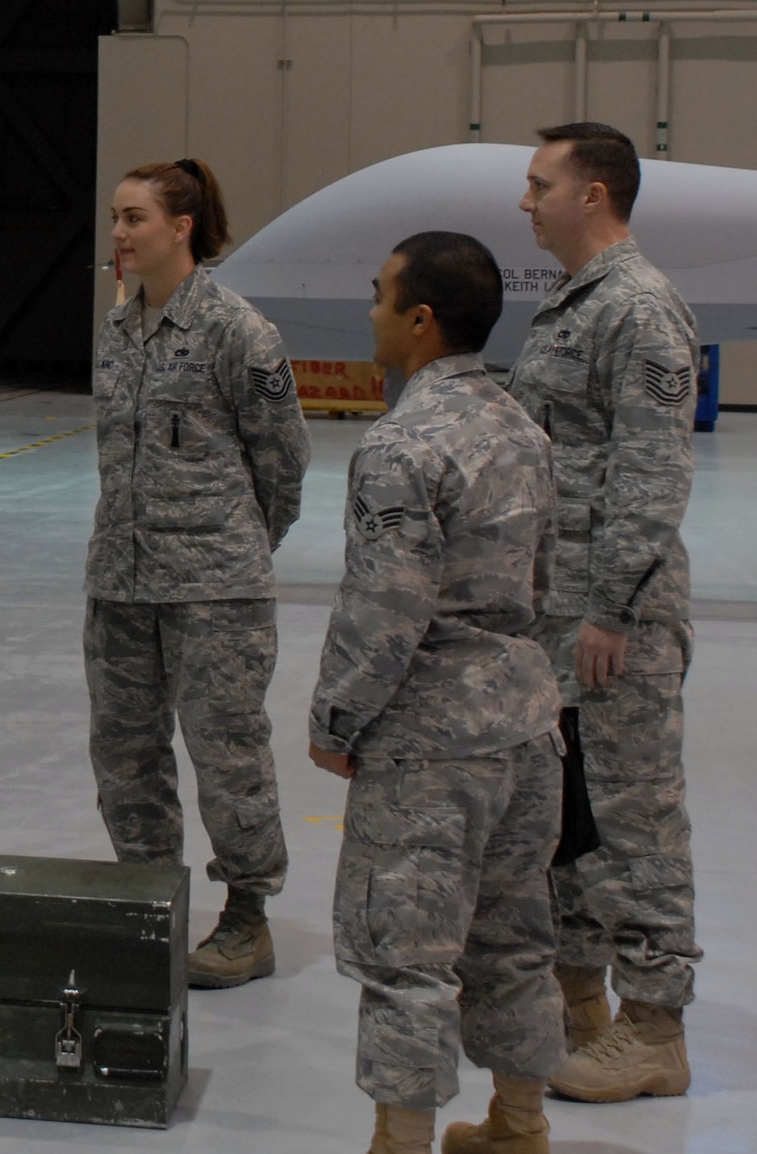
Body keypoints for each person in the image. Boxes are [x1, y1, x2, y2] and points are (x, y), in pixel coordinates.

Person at [310, 232, 566, 1154]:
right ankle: (518, 1124)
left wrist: (336, 717)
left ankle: (402, 1141)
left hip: (430, 740)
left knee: (407, 955)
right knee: (514, 941)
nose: (370, 313)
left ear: (419, 320)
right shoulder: (525, 429)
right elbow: (538, 579)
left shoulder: (400, 444)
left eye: (381, 297)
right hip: (528, 728)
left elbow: (386, 607)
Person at [507, 122, 701, 1105]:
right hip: (556, 618)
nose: (524, 200)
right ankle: (579, 1000)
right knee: (568, 819)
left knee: (634, 822)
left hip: (607, 623)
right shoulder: (569, 305)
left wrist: (610, 609)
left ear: (591, 194)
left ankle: (653, 1027)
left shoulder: (638, 309)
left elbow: (652, 471)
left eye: (538, 183)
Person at [85, 158, 311, 989]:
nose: (118, 233)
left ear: (181, 229)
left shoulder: (238, 331)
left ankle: (247, 919)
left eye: (135, 218)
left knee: (227, 755)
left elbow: (283, 463)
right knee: (124, 755)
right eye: (115, 216)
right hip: (120, 581)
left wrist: (239, 550)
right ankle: (149, 904)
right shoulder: (116, 329)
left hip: (214, 589)